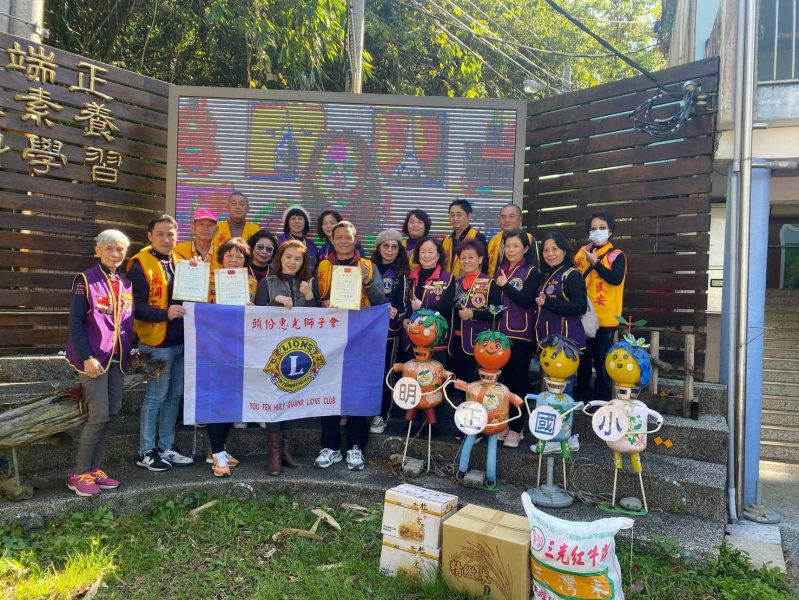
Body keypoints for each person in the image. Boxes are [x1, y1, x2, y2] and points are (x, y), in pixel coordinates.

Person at [64, 230, 134, 496]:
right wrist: (86, 357)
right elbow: (75, 322)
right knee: (99, 415)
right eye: (109, 249)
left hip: (117, 357)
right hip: (93, 358)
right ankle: (78, 473)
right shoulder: (86, 280)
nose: (115, 254)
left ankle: (93, 469)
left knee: (112, 414)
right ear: (98, 251)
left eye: (120, 249)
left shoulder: (125, 284)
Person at [313, 221, 385, 471]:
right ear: (332, 240)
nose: (343, 241)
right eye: (339, 237)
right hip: (330, 336)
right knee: (328, 388)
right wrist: (321, 304)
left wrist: (367, 282)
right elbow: (313, 300)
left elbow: (380, 300)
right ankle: (331, 446)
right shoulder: (323, 266)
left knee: (358, 390)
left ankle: (356, 446)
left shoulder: (368, 266)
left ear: (355, 240)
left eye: (348, 237)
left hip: (361, 337)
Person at [127, 215, 194, 471]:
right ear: (150, 236)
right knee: (156, 396)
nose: (166, 239)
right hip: (157, 342)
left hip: (182, 340)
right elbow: (135, 307)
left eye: (171, 234)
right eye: (160, 234)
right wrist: (164, 313)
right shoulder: (139, 265)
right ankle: (146, 450)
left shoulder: (182, 262)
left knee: (174, 396)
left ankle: (167, 446)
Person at [255, 240, 318, 475]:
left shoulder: (307, 284)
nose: (292, 262)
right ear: (280, 258)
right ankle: (273, 455)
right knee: (274, 400)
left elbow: (317, 321)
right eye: (288, 257)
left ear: (303, 262)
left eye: (297, 259)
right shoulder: (267, 282)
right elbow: (257, 317)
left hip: (299, 351)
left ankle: (286, 452)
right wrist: (275, 302)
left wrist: (309, 296)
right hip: (272, 353)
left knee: (291, 398)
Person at [204, 238, 257, 476]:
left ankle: (217, 449)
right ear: (221, 258)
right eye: (230, 255)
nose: (234, 260)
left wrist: (252, 308)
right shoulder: (207, 280)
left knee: (230, 398)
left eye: (240, 256)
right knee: (216, 397)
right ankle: (217, 453)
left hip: (238, 348)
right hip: (212, 347)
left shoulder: (252, 284)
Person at [533, 232, 587, 453]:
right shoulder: (549, 275)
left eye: (555, 249)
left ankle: (568, 436)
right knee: (555, 390)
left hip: (565, 344)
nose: (550, 253)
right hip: (552, 344)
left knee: (564, 390)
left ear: (564, 251)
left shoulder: (571, 275)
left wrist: (548, 303)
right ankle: (561, 435)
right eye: (546, 250)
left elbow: (579, 307)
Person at [491, 230, 540, 448]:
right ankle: (504, 424)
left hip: (521, 334)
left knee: (519, 381)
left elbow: (527, 300)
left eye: (516, 246)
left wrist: (505, 285)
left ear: (526, 249)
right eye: (508, 246)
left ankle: (517, 429)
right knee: (504, 381)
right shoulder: (501, 270)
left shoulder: (531, 271)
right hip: (500, 333)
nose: (511, 250)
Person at [404, 235, 455, 437]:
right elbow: (404, 303)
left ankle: (433, 425)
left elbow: (448, 307)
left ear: (438, 254)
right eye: (422, 251)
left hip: (435, 339)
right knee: (412, 380)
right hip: (412, 337)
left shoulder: (447, 278)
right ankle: (413, 422)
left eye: (431, 251)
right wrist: (404, 319)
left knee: (433, 381)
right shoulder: (410, 277)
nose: (426, 255)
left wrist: (424, 306)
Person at [574, 212, 627, 404]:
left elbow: (616, 279)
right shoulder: (580, 253)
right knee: (582, 360)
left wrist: (595, 263)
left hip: (605, 319)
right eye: (593, 228)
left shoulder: (617, 255)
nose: (598, 231)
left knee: (601, 361)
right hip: (582, 316)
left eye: (602, 228)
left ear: (610, 231)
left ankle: (601, 400)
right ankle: (583, 396)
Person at [369, 230, 411, 434]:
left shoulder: (400, 275)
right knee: (364, 371)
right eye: (385, 246)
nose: (389, 250)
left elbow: (403, 307)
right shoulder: (368, 269)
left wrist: (396, 312)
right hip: (366, 331)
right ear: (378, 248)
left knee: (386, 373)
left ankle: (382, 415)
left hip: (389, 332)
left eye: (394, 247)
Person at [447, 240, 495, 386]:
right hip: (455, 339)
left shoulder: (489, 283)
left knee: (473, 382)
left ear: (480, 259)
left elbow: (497, 313)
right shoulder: (456, 282)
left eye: (471, 257)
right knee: (459, 381)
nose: (466, 261)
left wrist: (473, 314)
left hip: (477, 340)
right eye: (463, 258)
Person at [486, 203, 538, 277]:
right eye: (503, 217)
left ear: (520, 219)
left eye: (511, 216)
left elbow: (536, 269)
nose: (507, 220)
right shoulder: (492, 241)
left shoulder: (530, 240)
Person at [442, 199, 487, 278]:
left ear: (469, 216)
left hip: (471, 283)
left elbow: (484, 265)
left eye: (459, 214)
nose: (455, 218)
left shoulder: (477, 237)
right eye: (452, 215)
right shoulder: (446, 240)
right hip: (447, 283)